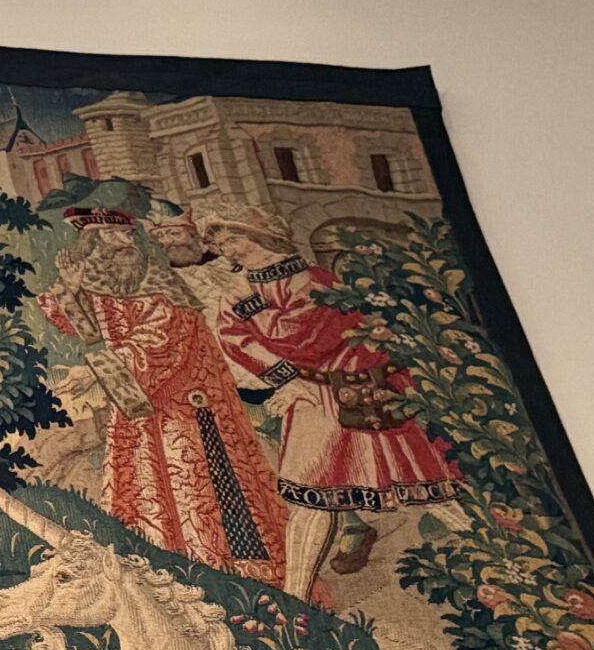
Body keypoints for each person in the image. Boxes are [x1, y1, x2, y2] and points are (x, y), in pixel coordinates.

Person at [201, 209, 466, 599]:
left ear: (261, 235)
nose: (228, 250)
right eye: (222, 244)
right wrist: (287, 378)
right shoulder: (240, 290)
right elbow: (234, 338)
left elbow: (313, 338)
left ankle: (499, 554)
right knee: (311, 497)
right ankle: (296, 598)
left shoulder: (312, 280)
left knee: (425, 482)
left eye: (233, 239)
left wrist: (251, 308)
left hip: (361, 391)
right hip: (312, 397)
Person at [34, 211, 290, 588]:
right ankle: (160, 575)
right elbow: (89, 334)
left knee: (201, 486)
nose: (126, 242)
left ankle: (231, 573)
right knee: (146, 487)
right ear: (92, 245)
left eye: (127, 234)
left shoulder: (160, 281)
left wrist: (93, 372)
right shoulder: (106, 282)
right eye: (112, 236)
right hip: (139, 403)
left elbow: (163, 342)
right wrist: (69, 292)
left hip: (187, 401)